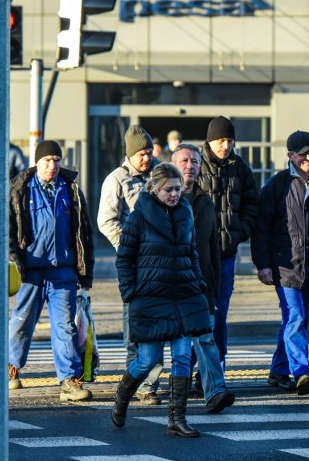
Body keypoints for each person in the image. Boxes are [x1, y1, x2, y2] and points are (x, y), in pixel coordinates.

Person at [111, 164, 212, 437]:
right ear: (154, 189)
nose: (175, 195)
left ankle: (177, 419)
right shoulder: (138, 217)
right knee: (147, 359)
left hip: (184, 295)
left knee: (182, 356)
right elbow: (124, 258)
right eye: (169, 189)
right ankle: (121, 401)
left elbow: (191, 251)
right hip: (151, 297)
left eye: (178, 189)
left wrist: (198, 281)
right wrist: (130, 293)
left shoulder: (186, 212)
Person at [8, 140, 95, 402]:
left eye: (57, 160)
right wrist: (14, 260)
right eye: (47, 160)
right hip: (31, 271)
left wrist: (85, 273)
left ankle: (69, 381)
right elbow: (9, 229)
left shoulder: (71, 189)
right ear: (37, 162)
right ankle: (11, 368)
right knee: (21, 321)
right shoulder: (21, 188)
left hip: (63, 270)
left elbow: (84, 232)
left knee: (65, 326)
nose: (53, 165)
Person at [97, 124, 163, 405]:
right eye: (141, 154)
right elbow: (106, 220)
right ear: (130, 155)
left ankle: (150, 384)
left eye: (149, 152)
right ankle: (133, 380)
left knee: (160, 324)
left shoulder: (160, 174)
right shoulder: (117, 180)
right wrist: (128, 246)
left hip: (162, 262)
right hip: (135, 264)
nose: (146, 158)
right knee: (135, 322)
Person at [170, 143, 236, 413]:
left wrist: (214, 287)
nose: (190, 166)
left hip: (200, 285)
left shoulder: (205, 201)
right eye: (184, 160)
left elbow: (212, 248)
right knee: (155, 352)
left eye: (195, 162)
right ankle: (138, 387)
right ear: (172, 164)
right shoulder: (159, 199)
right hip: (168, 284)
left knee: (206, 339)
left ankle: (215, 392)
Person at [251, 131, 309, 395]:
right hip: (285, 266)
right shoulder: (277, 185)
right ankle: (302, 372)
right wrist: (262, 264)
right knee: (296, 317)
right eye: (303, 153)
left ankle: (279, 370)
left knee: (295, 321)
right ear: (290, 155)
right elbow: (261, 228)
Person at [196, 116, 260, 369]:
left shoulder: (240, 167)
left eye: (230, 141)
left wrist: (239, 232)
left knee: (220, 311)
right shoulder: (195, 165)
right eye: (221, 140)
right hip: (198, 253)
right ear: (210, 141)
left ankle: (217, 365)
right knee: (198, 311)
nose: (226, 146)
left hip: (225, 252)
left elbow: (253, 205)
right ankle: (193, 368)